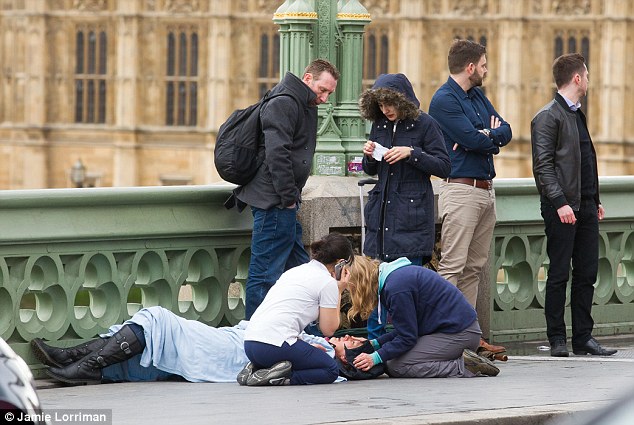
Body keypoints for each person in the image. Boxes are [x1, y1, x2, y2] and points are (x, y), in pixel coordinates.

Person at [230, 59, 340, 320]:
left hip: (284, 201)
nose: (324, 98)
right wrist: (289, 199)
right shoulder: (284, 102)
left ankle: (305, 329)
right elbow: (276, 155)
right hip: (275, 202)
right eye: (322, 90)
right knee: (265, 275)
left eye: (329, 94)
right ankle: (252, 336)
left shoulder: (303, 103)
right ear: (307, 78)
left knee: (300, 270)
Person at [30, 306, 376, 385]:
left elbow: (283, 357)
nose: (348, 336)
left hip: (232, 352)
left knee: (160, 320)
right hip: (235, 338)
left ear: (353, 359)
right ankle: (77, 358)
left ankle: (81, 364)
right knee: (154, 331)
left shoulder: (324, 358)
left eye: (353, 342)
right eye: (352, 334)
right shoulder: (320, 341)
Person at [428, 39, 512, 353]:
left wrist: (487, 135)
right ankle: (447, 335)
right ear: (471, 67)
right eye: (485, 65)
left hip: (485, 190)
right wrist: (487, 136)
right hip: (461, 189)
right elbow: (472, 139)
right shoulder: (443, 100)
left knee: (474, 268)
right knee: (452, 267)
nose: (487, 70)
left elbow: (505, 130)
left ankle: (468, 337)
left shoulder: (477, 95)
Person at [530, 53, 617, 358]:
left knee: (587, 273)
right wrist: (560, 203)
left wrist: (595, 201)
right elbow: (543, 167)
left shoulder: (576, 114)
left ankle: (583, 338)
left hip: (586, 207)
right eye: (587, 75)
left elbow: (585, 162)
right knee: (558, 274)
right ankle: (556, 338)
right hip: (562, 209)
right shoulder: (547, 116)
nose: (589, 81)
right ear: (577, 78)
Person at [359, 73, 450, 339]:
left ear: (402, 101)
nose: (385, 109)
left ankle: (405, 340)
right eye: (380, 104)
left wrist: (412, 154)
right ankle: (375, 343)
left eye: (390, 103)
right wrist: (369, 155)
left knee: (404, 286)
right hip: (382, 219)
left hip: (410, 220)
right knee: (375, 285)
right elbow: (372, 169)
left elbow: (444, 166)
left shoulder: (426, 125)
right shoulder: (379, 125)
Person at [345, 255, 500, 378]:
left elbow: (407, 337)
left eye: (350, 290)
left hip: (460, 334)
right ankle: (462, 356)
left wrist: (375, 358)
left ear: (360, 285)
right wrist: (375, 344)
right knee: (392, 357)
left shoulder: (396, 289)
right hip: (456, 330)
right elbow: (407, 329)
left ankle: (464, 366)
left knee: (396, 366)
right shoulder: (394, 278)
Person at [240, 232, 354, 386]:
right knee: (330, 369)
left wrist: (303, 348)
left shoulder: (295, 271)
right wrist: (339, 290)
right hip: (274, 345)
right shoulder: (327, 283)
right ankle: (282, 378)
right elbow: (329, 329)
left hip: (251, 343)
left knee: (310, 355)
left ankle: (258, 369)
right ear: (340, 263)